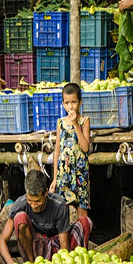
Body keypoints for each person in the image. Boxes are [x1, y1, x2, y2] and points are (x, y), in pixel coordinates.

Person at [0, 170, 92, 264]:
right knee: (20, 218)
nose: (33, 206)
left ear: (46, 192)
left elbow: (64, 245)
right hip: (35, 248)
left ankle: (80, 262)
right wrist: (10, 263)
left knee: (85, 222)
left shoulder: (59, 205)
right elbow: (2, 240)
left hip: (56, 247)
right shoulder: (20, 204)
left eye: (37, 201)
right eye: (30, 200)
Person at [50, 83, 91, 220]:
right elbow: (57, 151)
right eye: (67, 103)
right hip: (64, 172)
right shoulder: (60, 123)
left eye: (74, 102)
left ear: (80, 102)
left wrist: (75, 125)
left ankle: (82, 239)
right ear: (63, 104)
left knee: (82, 210)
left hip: (80, 172)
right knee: (63, 210)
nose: (71, 106)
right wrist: (55, 178)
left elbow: (85, 148)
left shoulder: (84, 121)